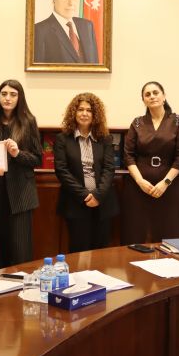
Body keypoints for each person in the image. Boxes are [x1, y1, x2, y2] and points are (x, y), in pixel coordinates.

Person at [0, 79, 42, 269]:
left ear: (19, 98)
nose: (8, 98)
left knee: (21, 252)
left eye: (13, 95)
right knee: (0, 250)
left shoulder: (28, 122)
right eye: (4, 94)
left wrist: (17, 154)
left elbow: (37, 159)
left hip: (20, 195)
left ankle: (22, 287)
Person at [122, 81, 179, 244]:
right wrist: (140, 181)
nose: (152, 96)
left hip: (169, 188)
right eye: (147, 94)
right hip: (139, 188)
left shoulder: (177, 121)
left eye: (155, 92)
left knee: (169, 235)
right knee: (137, 234)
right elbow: (128, 155)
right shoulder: (137, 123)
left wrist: (165, 183)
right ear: (143, 100)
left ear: (164, 96)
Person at [53, 92, 119, 252]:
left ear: (95, 115)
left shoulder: (105, 138)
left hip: (102, 202)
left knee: (101, 251)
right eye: (80, 109)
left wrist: (97, 195)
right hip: (75, 203)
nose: (84, 113)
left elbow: (109, 168)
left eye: (89, 110)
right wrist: (84, 195)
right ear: (73, 113)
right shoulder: (63, 139)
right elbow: (62, 171)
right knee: (78, 250)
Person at [33, 0, 99, 64]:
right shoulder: (39, 30)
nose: (71, 3)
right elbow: (38, 69)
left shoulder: (87, 26)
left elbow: (95, 64)